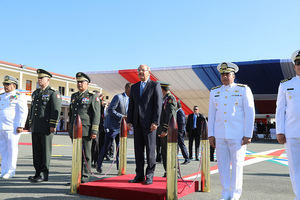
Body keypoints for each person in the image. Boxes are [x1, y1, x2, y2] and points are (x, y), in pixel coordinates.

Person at [208, 62, 255, 200]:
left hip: (238, 135)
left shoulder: (243, 89)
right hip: (220, 134)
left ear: (233, 76)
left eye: (227, 74)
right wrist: (211, 134)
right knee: (222, 165)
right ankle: (225, 193)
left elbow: (249, 113)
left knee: (237, 165)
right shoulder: (215, 92)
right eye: (222, 74)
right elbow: (212, 115)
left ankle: (235, 193)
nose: (224, 77)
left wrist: (248, 134)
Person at [127, 64, 162, 185]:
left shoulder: (155, 85)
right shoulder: (135, 87)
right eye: (139, 70)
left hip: (150, 124)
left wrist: (155, 122)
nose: (140, 72)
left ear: (149, 72)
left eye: (143, 70)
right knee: (138, 151)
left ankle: (150, 175)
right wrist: (129, 121)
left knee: (150, 151)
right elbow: (131, 105)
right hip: (137, 123)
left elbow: (158, 105)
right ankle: (139, 175)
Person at [28, 69, 62, 182]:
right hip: (36, 126)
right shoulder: (36, 93)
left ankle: (44, 174)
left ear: (48, 79)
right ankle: (37, 172)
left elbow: (56, 110)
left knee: (45, 151)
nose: (39, 80)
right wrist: (30, 123)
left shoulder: (53, 93)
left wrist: (53, 125)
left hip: (46, 127)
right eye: (38, 78)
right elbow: (32, 109)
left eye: (41, 78)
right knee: (36, 151)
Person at [276, 49, 300, 200]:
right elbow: (280, 109)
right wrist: (280, 131)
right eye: (298, 63)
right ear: (294, 66)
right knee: (295, 169)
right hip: (292, 133)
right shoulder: (286, 85)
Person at [68, 72, 100, 183]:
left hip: (86, 130)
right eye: (78, 82)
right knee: (76, 154)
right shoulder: (74, 96)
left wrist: (94, 130)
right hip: (75, 130)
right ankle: (76, 176)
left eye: (82, 82)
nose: (79, 84)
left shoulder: (92, 97)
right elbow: (71, 113)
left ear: (87, 83)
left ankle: (85, 177)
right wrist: (70, 128)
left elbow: (96, 115)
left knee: (86, 155)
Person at [97, 82, 132, 173]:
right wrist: (121, 116)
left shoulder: (132, 99)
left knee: (120, 148)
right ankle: (99, 164)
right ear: (126, 88)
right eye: (131, 89)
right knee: (107, 146)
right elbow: (110, 109)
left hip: (122, 128)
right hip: (112, 126)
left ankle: (119, 168)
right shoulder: (118, 97)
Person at [0, 76, 28, 179]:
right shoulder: (1, 96)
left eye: (7, 84)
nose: (5, 86)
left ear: (14, 85)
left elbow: (23, 111)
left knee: (12, 150)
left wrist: (21, 125)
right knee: (3, 150)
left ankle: (11, 171)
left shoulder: (19, 96)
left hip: (13, 127)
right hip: (2, 126)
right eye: (4, 84)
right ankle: (4, 170)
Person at [157, 82, 177, 177]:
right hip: (163, 129)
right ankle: (167, 170)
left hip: (168, 130)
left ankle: (172, 170)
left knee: (170, 151)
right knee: (164, 151)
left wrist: (165, 130)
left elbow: (170, 115)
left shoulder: (170, 99)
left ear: (163, 90)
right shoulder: (164, 99)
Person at [176, 100, 190, 165]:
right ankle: (175, 157)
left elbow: (182, 123)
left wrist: (180, 132)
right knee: (178, 145)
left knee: (181, 145)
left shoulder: (180, 112)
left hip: (180, 131)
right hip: (179, 131)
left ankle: (187, 158)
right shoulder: (179, 111)